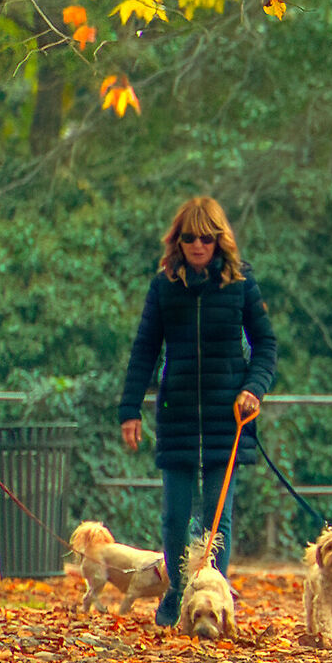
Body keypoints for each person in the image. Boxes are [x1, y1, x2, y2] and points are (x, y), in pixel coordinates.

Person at [118, 196, 278, 628]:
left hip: (229, 416)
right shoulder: (165, 286)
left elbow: (266, 345)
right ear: (178, 241)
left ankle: (216, 597)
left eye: (206, 238)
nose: (197, 245)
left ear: (218, 240)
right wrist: (129, 409)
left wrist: (253, 389)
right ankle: (176, 593)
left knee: (215, 518)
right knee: (175, 514)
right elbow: (145, 349)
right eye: (189, 238)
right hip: (178, 414)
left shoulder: (241, 284)